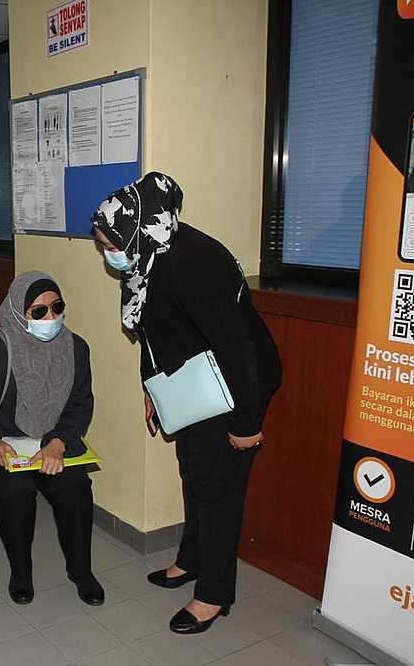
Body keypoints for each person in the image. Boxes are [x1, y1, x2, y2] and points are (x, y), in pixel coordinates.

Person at [90, 171, 282, 635]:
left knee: (217, 487)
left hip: (235, 386)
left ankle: (214, 594)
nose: (107, 253)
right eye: (102, 244)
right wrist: (154, 393)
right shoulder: (146, 257)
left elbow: (237, 347)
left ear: (138, 223)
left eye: (108, 242)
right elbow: (157, 339)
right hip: (191, 384)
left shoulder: (194, 262)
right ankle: (192, 560)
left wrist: (245, 421)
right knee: (194, 473)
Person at [0, 271, 105, 608]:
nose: (50, 318)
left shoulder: (75, 348)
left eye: (56, 307)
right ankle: (21, 572)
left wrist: (58, 443)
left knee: (76, 486)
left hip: (49, 442)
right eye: (39, 311)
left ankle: (82, 572)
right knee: (15, 491)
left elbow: (80, 403)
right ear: (20, 312)